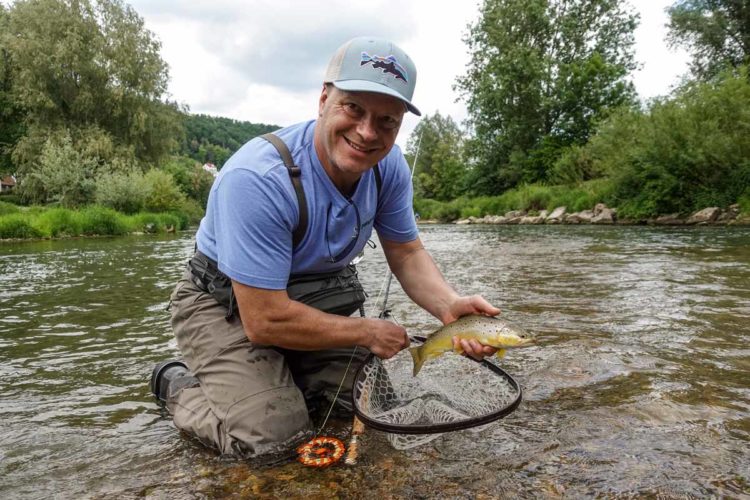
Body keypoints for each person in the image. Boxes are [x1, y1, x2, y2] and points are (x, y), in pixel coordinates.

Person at [150, 36, 501, 464]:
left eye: (387, 121)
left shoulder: (387, 167)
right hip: (225, 303)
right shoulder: (257, 178)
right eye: (353, 108)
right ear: (323, 99)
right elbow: (263, 320)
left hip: (309, 298)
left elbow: (406, 253)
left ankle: (279, 379)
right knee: (275, 442)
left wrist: (449, 307)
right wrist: (367, 332)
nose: (368, 133)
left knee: (371, 413)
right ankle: (178, 386)